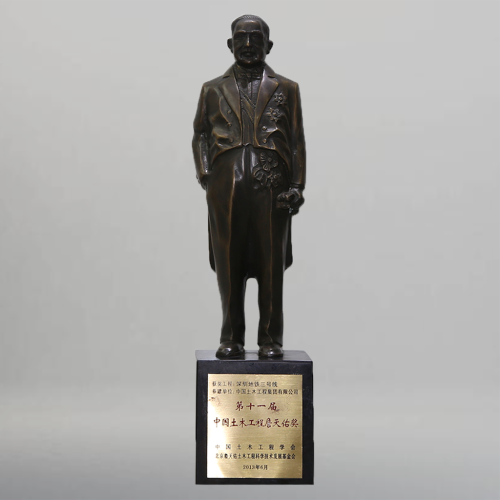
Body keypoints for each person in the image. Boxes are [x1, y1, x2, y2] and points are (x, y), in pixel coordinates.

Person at [192, 14, 306, 358]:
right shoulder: (212, 89)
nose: (247, 44)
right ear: (230, 44)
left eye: (255, 38)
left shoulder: (287, 88)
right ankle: (231, 335)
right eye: (241, 37)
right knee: (228, 261)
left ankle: (271, 338)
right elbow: (200, 134)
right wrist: (206, 174)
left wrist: (297, 184)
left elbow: (297, 141)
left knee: (271, 262)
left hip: (272, 185)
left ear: (268, 45)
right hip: (225, 186)